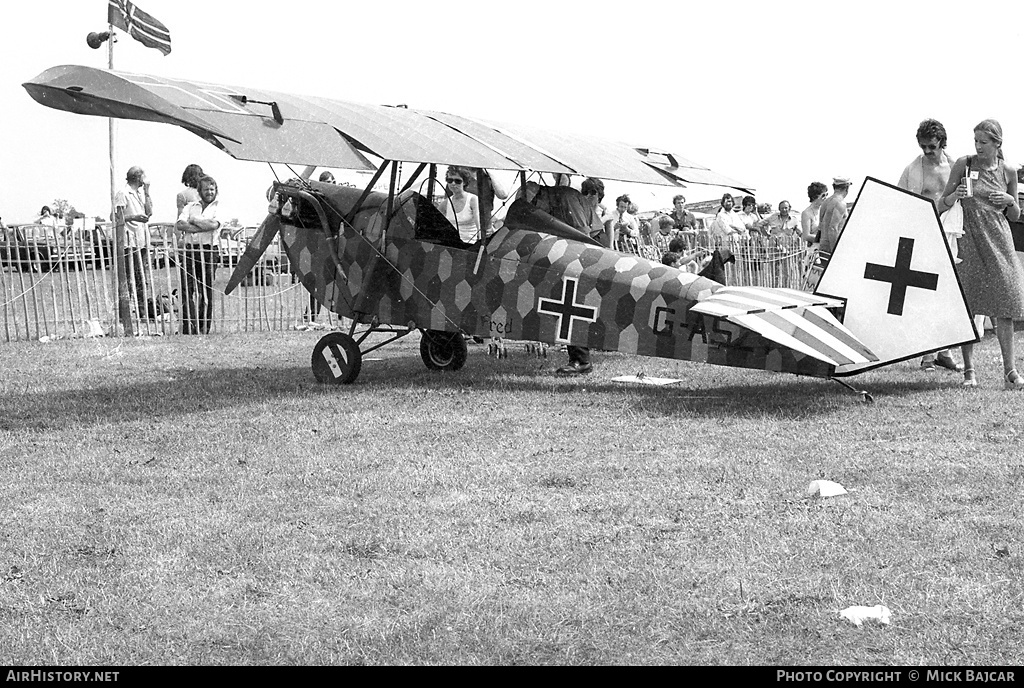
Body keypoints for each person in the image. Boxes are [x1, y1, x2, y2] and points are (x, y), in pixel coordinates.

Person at [939, 120, 1024, 389]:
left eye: (983, 142)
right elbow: (942, 203)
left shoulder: (1008, 170)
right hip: (970, 238)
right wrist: (955, 196)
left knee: (1006, 302)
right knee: (969, 302)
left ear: (997, 143)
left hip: (999, 238)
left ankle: (1010, 371)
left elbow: (1015, 215)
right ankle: (969, 371)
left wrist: (1010, 201)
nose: (978, 146)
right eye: (975, 140)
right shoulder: (964, 164)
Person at [897, 118, 962, 373]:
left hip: (950, 234)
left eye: (932, 146)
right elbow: (901, 201)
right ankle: (927, 354)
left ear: (942, 143)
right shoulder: (912, 169)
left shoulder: (956, 166)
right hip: (923, 234)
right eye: (923, 146)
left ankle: (944, 352)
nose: (927, 151)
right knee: (925, 294)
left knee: (947, 294)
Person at [176, 175, 222, 335]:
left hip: (209, 251)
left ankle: (203, 328)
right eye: (206, 189)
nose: (209, 192)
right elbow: (180, 224)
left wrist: (194, 221)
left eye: (212, 189)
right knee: (186, 289)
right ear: (200, 191)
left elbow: (214, 225)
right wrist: (201, 225)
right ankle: (189, 327)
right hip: (190, 250)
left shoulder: (219, 207)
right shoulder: (190, 206)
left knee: (205, 290)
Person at [113, 166, 153, 318]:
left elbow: (149, 212)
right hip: (129, 242)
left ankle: (142, 312)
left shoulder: (139, 194)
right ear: (138, 177)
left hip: (141, 241)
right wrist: (133, 217)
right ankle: (125, 314)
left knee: (141, 278)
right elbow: (115, 217)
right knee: (129, 278)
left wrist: (148, 192)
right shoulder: (123, 193)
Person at [436, 166, 481, 243]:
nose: (453, 183)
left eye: (457, 181)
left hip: (468, 245)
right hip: (450, 244)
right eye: (450, 180)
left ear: (465, 182)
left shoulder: (473, 199)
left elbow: (479, 227)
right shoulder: (446, 202)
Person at [817, 177, 853, 255]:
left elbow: (821, 226)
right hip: (831, 247)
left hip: (823, 246)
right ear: (847, 188)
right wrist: (835, 253)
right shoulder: (841, 203)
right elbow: (832, 228)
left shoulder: (825, 202)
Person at [800, 182, 829, 246]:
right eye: (823, 195)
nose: (826, 197)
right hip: (814, 248)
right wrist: (823, 240)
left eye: (827, 194)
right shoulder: (806, 213)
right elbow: (806, 236)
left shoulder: (826, 209)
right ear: (814, 197)